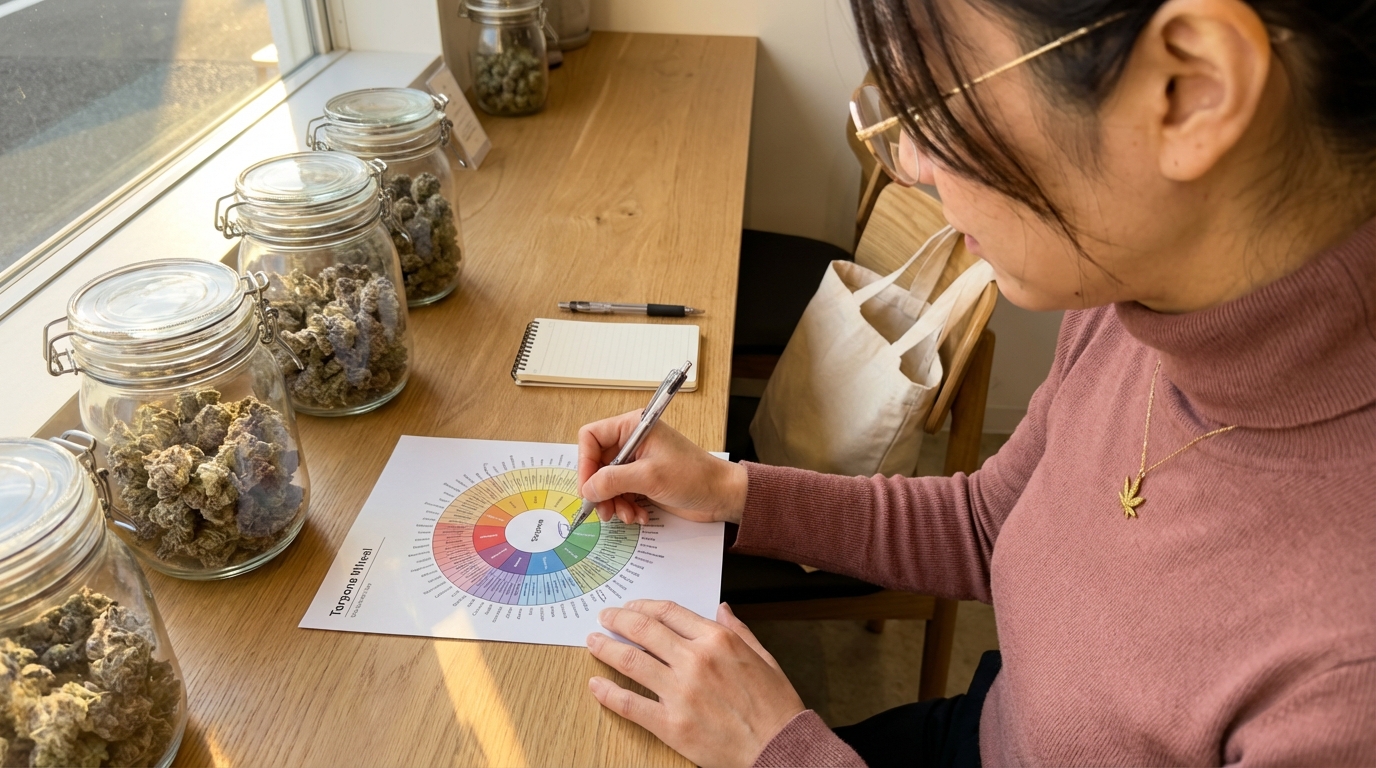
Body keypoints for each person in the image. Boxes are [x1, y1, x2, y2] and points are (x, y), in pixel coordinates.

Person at [575, 0, 1376, 765]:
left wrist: (780, 752)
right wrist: (731, 488)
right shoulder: (1141, 298)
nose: (913, 164)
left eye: (936, 101)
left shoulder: (1347, 684)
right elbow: (992, 525)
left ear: (1193, 87)